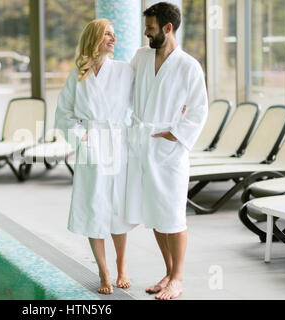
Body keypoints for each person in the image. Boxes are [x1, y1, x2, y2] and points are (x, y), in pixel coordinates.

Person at [125, 2, 208, 300]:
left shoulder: (188, 66)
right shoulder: (141, 57)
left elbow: (199, 109)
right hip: (143, 144)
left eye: (150, 28)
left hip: (170, 149)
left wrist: (177, 133)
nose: (146, 33)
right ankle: (168, 272)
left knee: (172, 214)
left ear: (168, 28)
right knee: (155, 214)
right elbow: (122, 87)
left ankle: (179, 278)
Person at [55, 18, 137, 295]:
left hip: (118, 143)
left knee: (118, 208)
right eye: (107, 34)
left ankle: (122, 265)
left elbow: (144, 101)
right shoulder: (79, 74)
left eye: (114, 34)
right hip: (91, 146)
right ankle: (103, 272)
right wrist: (82, 135)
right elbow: (63, 113)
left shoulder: (125, 70)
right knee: (94, 207)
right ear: (94, 38)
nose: (113, 39)